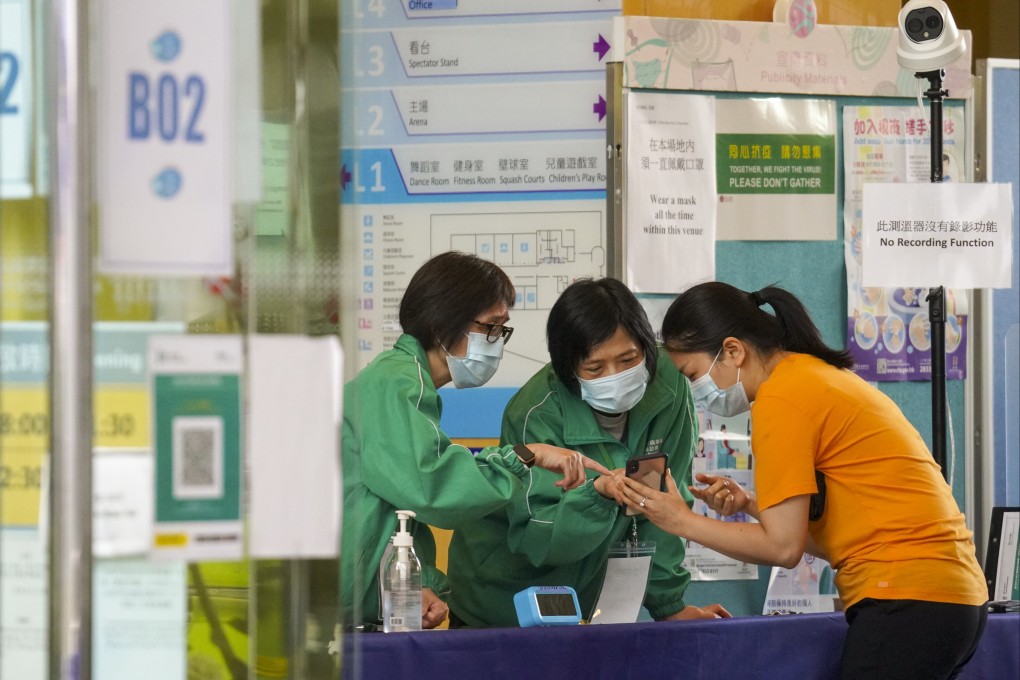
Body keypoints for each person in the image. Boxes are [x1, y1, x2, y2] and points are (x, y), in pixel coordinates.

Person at [618, 282, 988, 680]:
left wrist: (680, 521)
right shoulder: (815, 376)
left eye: (693, 375)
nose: (696, 390)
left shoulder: (781, 398)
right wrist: (752, 505)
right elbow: (834, 539)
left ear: (732, 350)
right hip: (955, 600)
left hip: (904, 599)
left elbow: (783, 548)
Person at [340, 252, 609, 631]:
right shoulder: (395, 383)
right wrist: (523, 457)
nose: (497, 341)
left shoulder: (407, 385)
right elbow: (433, 487)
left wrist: (418, 587)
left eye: (502, 329)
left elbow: (390, 512)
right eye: (491, 327)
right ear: (443, 320)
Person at [446, 277, 730, 627]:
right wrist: (599, 494)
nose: (616, 376)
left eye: (629, 359)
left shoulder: (669, 384)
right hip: (504, 600)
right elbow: (541, 538)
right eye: (595, 368)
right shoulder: (534, 413)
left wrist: (669, 604)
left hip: (587, 603)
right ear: (568, 371)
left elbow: (667, 506)